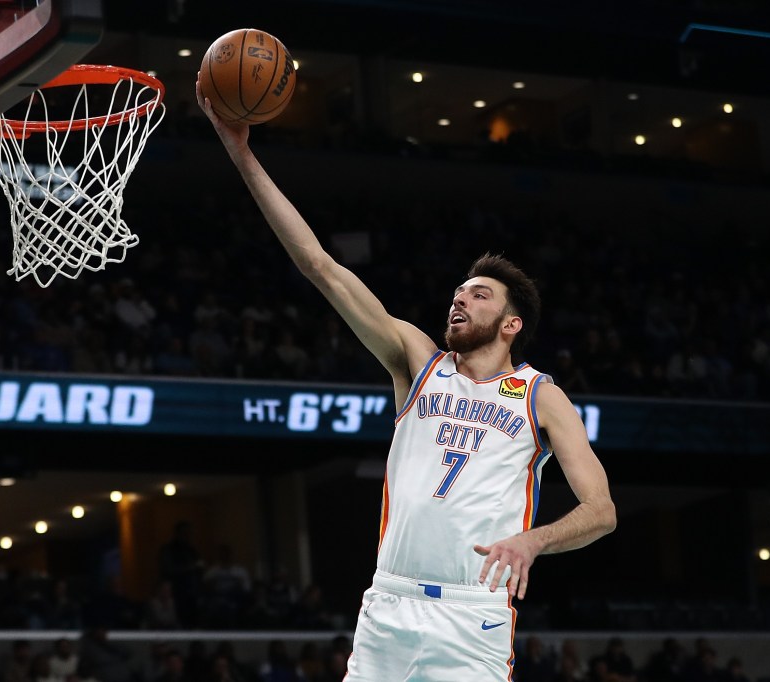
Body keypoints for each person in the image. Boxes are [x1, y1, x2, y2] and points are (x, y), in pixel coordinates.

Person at [198, 83, 617, 681]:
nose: (459, 300)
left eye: (478, 295)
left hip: (473, 617)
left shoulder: (541, 397)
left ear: (511, 322)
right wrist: (240, 151)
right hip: (388, 608)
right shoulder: (418, 363)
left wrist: (533, 542)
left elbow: (601, 510)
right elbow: (321, 266)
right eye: (458, 292)